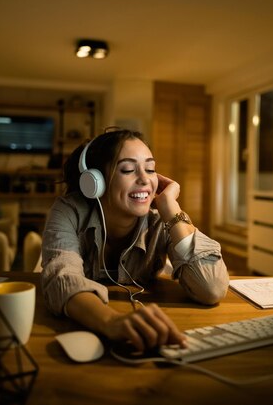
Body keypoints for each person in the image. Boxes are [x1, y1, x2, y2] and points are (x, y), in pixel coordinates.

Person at [41, 128, 229, 352]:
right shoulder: (69, 211)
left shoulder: (163, 219)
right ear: (95, 182)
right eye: (128, 169)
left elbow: (212, 289)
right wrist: (111, 322)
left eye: (150, 169)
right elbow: (62, 280)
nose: (145, 180)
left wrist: (172, 209)